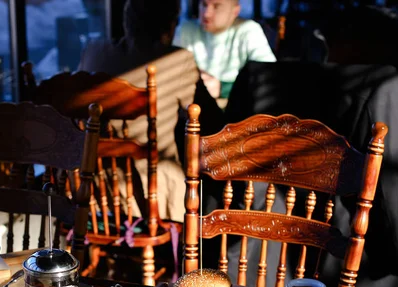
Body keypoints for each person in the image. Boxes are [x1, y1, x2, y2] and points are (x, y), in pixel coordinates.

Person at [78, 0, 224, 223]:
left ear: (126, 21)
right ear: (169, 26)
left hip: (90, 187)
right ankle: (200, 251)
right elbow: (213, 121)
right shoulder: (176, 59)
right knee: (216, 181)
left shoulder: (93, 52)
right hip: (147, 193)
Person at [174, 0, 276, 99]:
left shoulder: (248, 30)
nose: (206, 13)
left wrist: (222, 88)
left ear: (235, 11)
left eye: (216, 6)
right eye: (204, 4)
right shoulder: (185, 29)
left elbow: (270, 78)